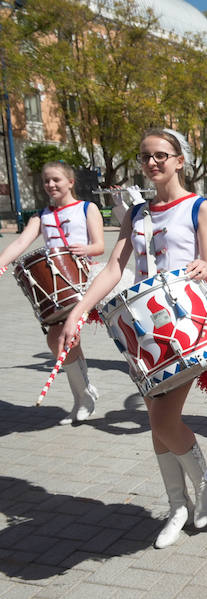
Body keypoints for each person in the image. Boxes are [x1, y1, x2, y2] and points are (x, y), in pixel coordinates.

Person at [60, 128, 207, 549]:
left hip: (185, 328)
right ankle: (176, 506)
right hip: (142, 332)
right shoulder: (136, 214)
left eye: (161, 155)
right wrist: (79, 310)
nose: (153, 162)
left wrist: (205, 269)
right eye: (146, 156)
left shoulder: (199, 208)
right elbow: (114, 268)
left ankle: (205, 484)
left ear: (180, 160)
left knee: (165, 420)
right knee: (155, 423)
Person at [0, 161, 105, 425]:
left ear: (70, 181)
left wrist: (87, 249)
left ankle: (85, 397)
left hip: (86, 280)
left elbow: (100, 245)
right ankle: (84, 395)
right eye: (46, 181)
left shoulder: (87, 208)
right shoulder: (41, 216)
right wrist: (1, 262)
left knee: (66, 339)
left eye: (56, 179)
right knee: (58, 341)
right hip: (57, 289)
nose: (50, 185)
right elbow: (22, 242)